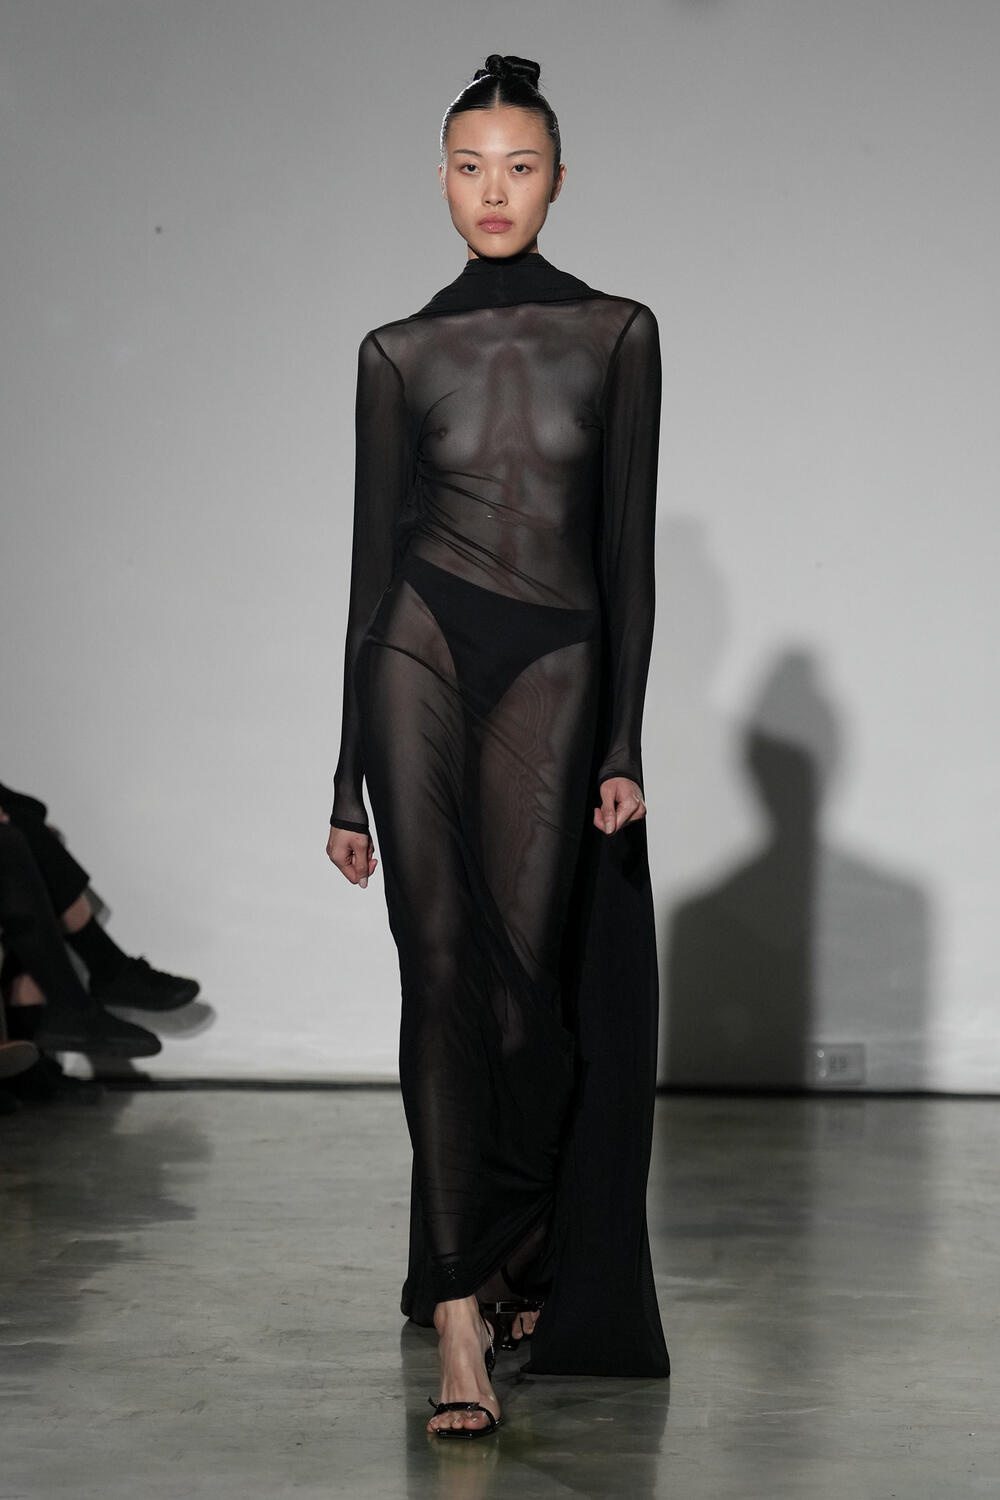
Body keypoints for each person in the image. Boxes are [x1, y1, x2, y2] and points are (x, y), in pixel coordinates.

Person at [326, 54, 669, 1438]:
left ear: (558, 179)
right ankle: (459, 1314)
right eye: (470, 167)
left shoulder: (620, 333)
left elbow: (627, 557)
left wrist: (624, 740)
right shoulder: (396, 355)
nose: (493, 190)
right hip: (418, 648)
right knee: (439, 972)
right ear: (442, 181)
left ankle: (517, 1243)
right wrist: (342, 772)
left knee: (527, 1002)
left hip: (556, 660)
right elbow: (368, 571)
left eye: (518, 167)